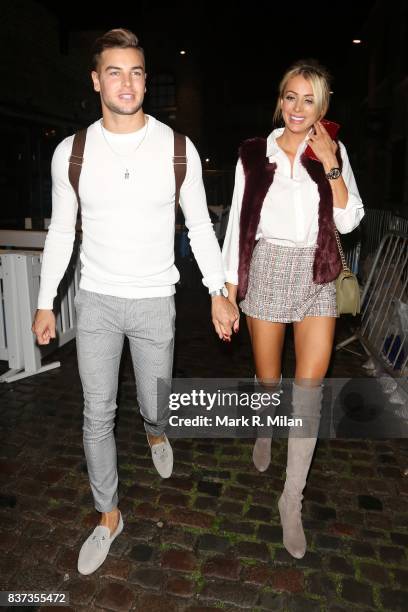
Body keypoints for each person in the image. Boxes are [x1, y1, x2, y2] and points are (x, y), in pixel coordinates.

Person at [32, 28, 238, 575]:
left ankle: (154, 428)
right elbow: (61, 233)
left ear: (147, 80)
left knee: (155, 404)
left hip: (154, 301)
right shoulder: (70, 153)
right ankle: (108, 515)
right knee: (95, 414)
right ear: (97, 79)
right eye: (115, 71)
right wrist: (46, 300)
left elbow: (199, 224)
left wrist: (218, 291)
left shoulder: (176, 148)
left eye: (138, 71)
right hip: (97, 301)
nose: (128, 82)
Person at [222, 59, 364, 559]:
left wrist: (331, 164)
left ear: (322, 106)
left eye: (309, 99)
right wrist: (227, 289)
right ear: (280, 99)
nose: (298, 107)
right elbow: (238, 225)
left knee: (308, 391)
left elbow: (349, 222)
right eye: (290, 96)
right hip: (266, 268)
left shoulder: (333, 150)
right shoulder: (252, 153)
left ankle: (291, 499)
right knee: (268, 381)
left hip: (317, 270)